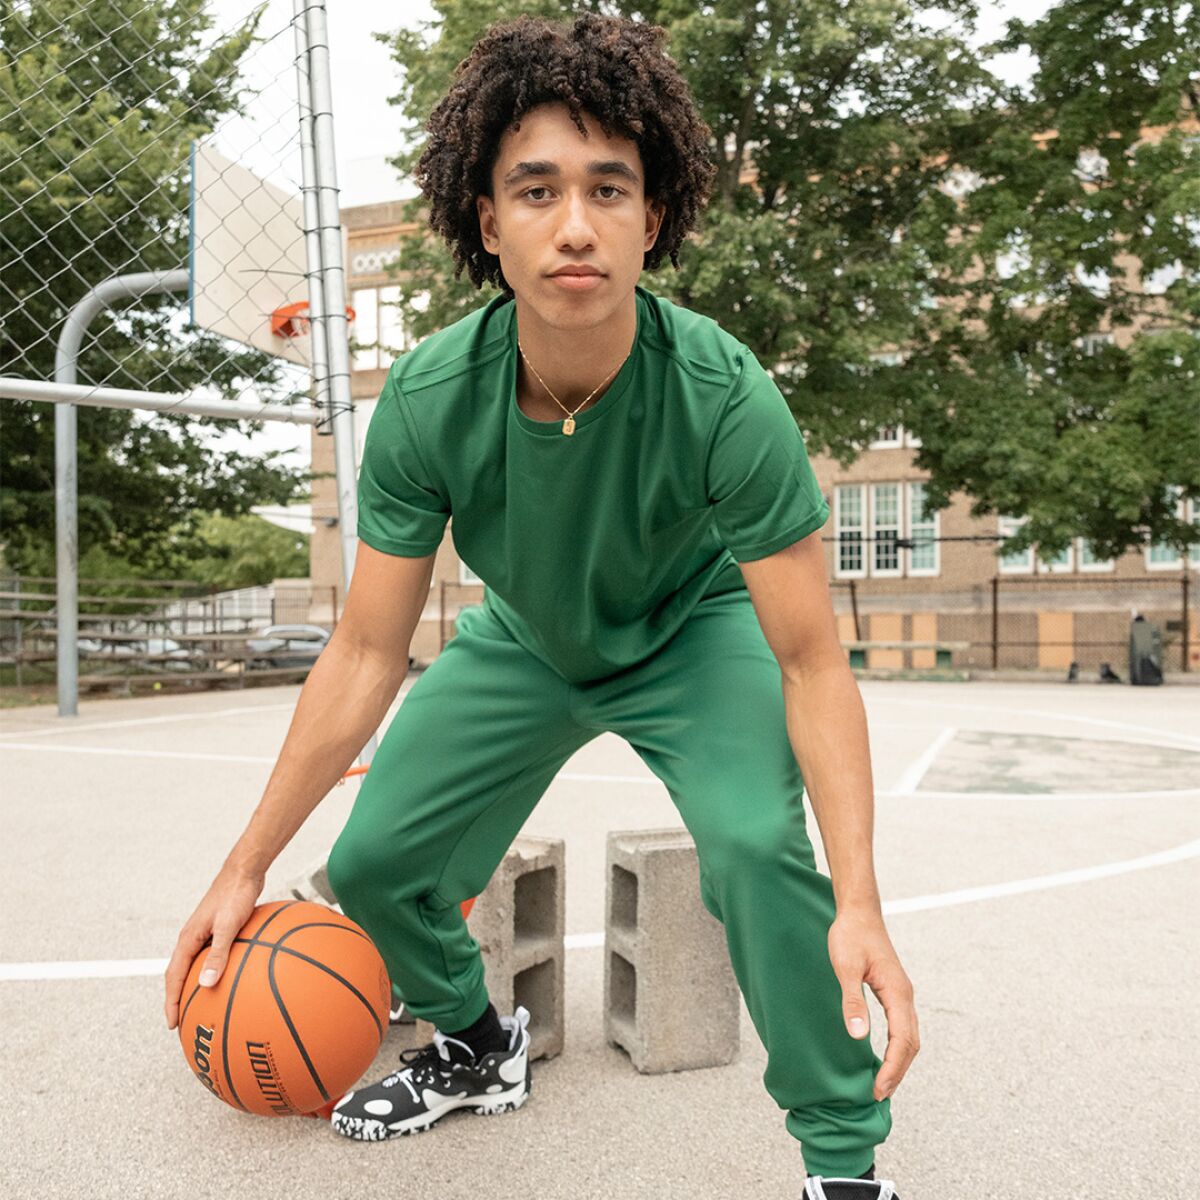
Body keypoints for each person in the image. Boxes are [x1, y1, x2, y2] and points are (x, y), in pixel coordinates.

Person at [164, 13, 919, 1197]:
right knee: (371, 863)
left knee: (752, 849)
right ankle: (474, 1045)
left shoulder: (725, 395)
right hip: (524, 637)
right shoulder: (423, 402)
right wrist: (242, 866)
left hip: (690, 630)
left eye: (609, 189)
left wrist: (863, 901)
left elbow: (814, 661)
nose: (576, 225)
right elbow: (366, 650)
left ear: (652, 218)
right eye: (537, 190)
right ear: (488, 222)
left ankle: (841, 1161)